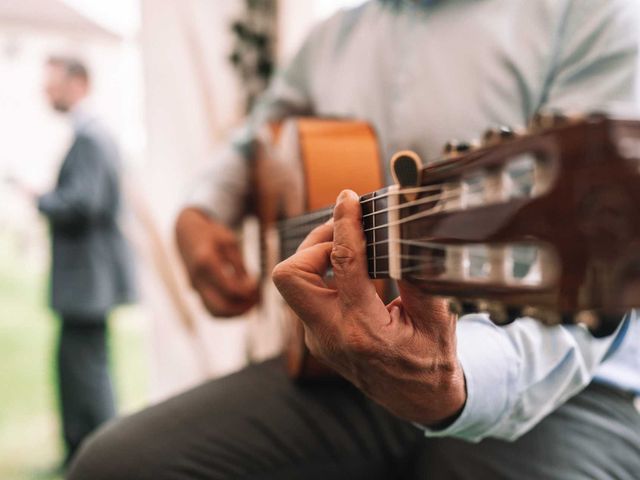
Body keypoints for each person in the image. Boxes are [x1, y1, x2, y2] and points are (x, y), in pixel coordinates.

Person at [69, 1, 640, 478]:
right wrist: (201, 210)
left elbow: (594, 257)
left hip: (571, 390)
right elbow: (253, 140)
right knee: (117, 466)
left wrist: (452, 382)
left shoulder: (591, 15)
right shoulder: (333, 39)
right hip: (344, 371)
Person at [36, 55, 136, 468]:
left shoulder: (92, 136)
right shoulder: (91, 134)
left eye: (53, 82)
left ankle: (101, 460)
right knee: (75, 368)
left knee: (88, 373)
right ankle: (79, 454)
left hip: (88, 279)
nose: (47, 90)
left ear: (78, 83)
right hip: (85, 280)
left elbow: (85, 203)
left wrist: (40, 199)